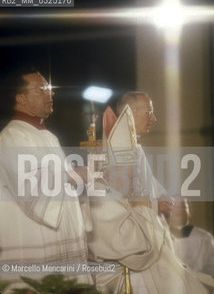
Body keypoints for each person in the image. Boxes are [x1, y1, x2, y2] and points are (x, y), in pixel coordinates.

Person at [87, 92, 212, 293]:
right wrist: (154, 204)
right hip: (131, 254)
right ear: (131, 112)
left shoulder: (135, 149)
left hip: (150, 239)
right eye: (149, 112)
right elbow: (119, 202)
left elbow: (149, 191)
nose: (153, 118)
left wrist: (162, 199)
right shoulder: (111, 154)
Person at [0, 68, 92, 289]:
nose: (50, 94)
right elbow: (31, 189)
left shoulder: (48, 136)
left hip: (60, 247)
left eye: (49, 88)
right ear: (21, 98)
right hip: (34, 250)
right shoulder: (12, 137)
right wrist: (72, 175)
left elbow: (65, 186)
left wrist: (83, 181)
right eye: (41, 89)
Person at [169, 198, 214, 277]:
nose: (179, 210)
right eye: (175, 207)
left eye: (183, 207)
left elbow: (211, 267)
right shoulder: (161, 236)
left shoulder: (205, 238)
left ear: (190, 212)